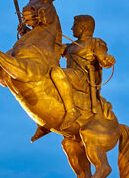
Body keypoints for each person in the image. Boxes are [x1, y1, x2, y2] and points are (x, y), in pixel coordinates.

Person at [31, 14, 116, 142]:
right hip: (71, 76)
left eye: (75, 25)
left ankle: (71, 111)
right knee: (46, 73)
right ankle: (46, 121)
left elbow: (103, 59)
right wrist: (29, 32)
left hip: (83, 79)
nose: (72, 28)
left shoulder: (95, 42)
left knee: (56, 72)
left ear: (83, 27)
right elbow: (49, 47)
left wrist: (108, 61)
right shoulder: (70, 46)